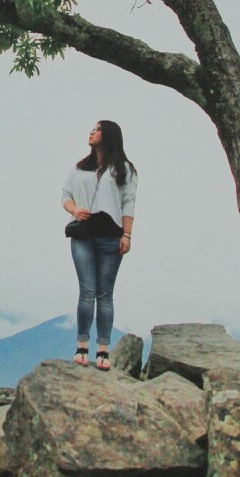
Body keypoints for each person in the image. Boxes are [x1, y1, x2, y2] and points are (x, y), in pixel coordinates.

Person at [61, 120, 137, 370]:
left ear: (110, 135)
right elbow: (65, 195)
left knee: (105, 294)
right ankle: (82, 345)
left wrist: (127, 235)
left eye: (97, 129)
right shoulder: (80, 167)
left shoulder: (125, 169)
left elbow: (128, 203)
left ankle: (103, 350)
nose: (91, 132)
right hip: (83, 235)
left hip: (111, 237)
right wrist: (75, 210)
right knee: (87, 291)